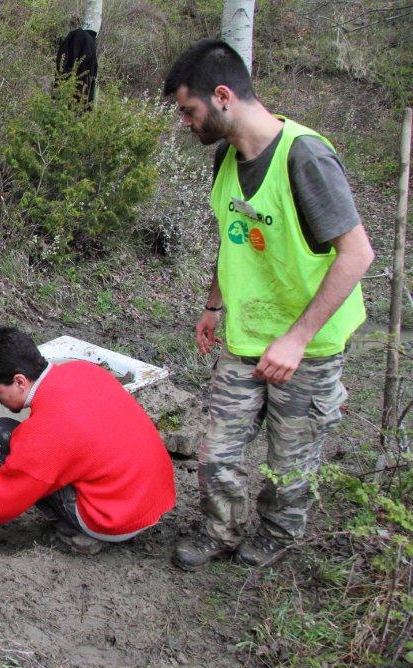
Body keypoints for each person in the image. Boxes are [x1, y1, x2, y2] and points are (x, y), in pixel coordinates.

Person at [163, 39, 375, 570]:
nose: (186, 123)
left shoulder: (305, 156)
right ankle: (221, 530)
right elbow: (233, 236)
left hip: (309, 345)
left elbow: (357, 255)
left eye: (189, 111)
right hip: (247, 335)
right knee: (215, 453)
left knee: (290, 459)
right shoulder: (226, 160)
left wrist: (297, 339)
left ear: (223, 96)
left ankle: (278, 534)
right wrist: (213, 306)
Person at [0, 327, 176, 554]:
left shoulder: (45, 435)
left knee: (2, 436)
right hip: (153, 496)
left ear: (20, 381)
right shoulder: (82, 370)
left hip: (113, 519)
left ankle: (78, 534)